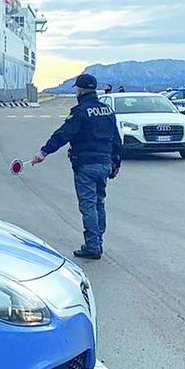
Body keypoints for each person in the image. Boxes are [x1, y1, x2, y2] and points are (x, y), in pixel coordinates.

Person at [30, 73, 122, 260]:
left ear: (80, 90)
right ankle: (98, 241)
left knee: (88, 205)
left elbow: (63, 134)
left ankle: (92, 246)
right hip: (105, 163)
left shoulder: (80, 112)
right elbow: (116, 138)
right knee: (99, 203)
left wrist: (43, 152)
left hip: (86, 165)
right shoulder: (107, 110)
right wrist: (117, 162)